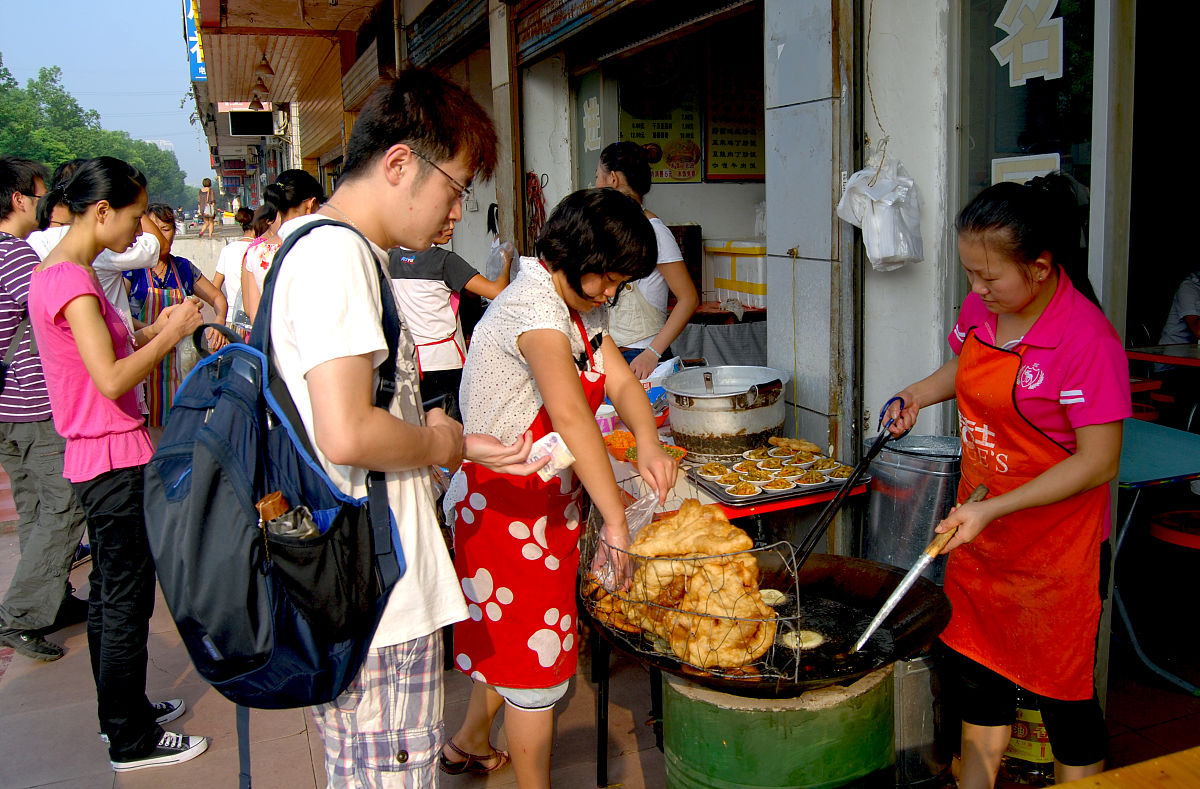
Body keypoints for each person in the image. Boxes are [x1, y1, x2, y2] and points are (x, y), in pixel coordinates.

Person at [267, 69, 545, 786]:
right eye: (454, 188)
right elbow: (347, 433)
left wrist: (456, 445)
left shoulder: (318, 248)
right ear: (398, 163)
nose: (457, 212)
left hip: (364, 586)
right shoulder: (338, 255)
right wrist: (437, 441)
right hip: (380, 602)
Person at [884, 175, 1130, 789]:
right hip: (983, 541)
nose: (977, 290)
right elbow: (966, 361)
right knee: (981, 681)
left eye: (990, 277)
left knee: (1063, 701)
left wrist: (995, 510)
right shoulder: (984, 310)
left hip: (1056, 556)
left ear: (1042, 267)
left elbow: (1099, 461)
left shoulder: (1086, 340)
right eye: (970, 274)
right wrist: (917, 392)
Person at [445, 188, 678, 788]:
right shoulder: (535, 309)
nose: (611, 295)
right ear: (573, 255)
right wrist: (619, 525)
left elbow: (621, 380)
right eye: (607, 279)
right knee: (536, 671)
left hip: (544, 509)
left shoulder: (581, 308)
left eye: (621, 285)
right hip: (504, 512)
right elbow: (573, 416)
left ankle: (470, 742)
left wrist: (648, 440)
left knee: (518, 645)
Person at [27, 156, 209, 771]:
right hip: (110, 453)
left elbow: (97, 358)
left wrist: (148, 329)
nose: (140, 233)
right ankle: (130, 738)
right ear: (101, 212)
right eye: (134, 218)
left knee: (111, 592)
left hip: (96, 452)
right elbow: (109, 379)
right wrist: (170, 333)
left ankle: (122, 712)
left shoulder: (59, 273)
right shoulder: (73, 282)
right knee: (127, 598)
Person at [0, 156, 90, 661]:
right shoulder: (17, 259)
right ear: (18, 200)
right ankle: (21, 614)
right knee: (64, 505)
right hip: (34, 405)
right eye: (38, 197)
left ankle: (49, 599)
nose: (43, 207)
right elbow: (55, 322)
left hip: (5, 408)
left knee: (35, 504)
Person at [595, 141, 699, 379]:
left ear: (612, 179)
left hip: (643, 358)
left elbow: (689, 298)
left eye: (598, 177)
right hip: (611, 355)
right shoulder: (609, 229)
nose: (596, 185)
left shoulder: (654, 231)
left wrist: (653, 352)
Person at [389, 218, 512, 418]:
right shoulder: (445, 261)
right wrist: (506, 260)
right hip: (443, 363)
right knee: (451, 430)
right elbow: (497, 291)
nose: (452, 226)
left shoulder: (392, 258)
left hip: (407, 361)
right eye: (444, 220)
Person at [124, 204, 227, 431]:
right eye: (156, 229)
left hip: (182, 367)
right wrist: (155, 329)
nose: (162, 236)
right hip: (146, 365)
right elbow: (120, 317)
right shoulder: (133, 269)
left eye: (167, 228)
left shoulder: (183, 268)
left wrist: (219, 323)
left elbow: (218, 298)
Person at [240, 170, 323, 321]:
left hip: (273, 342)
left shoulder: (256, 252)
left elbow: (254, 314)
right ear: (310, 205)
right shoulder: (319, 245)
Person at [212, 205, 255, 337]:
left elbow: (214, 288)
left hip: (232, 319)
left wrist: (221, 314)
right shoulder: (260, 250)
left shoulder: (228, 250)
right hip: (255, 321)